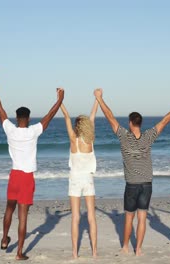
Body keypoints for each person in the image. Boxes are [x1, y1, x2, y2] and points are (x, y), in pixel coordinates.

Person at [94, 88, 170, 256]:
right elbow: (164, 121)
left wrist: (99, 99)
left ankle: (126, 247)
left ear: (130, 123)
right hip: (146, 184)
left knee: (129, 217)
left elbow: (110, 117)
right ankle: (139, 249)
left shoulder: (123, 136)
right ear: (140, 123)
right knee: (142, 217)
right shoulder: (148, 136)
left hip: (131, 185)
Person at [0, 77, 64, 260]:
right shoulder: (33, 131)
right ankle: (19, 253)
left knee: (8, 209)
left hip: (14, 176)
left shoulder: (10, 130)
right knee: (23, 217)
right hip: (27, 178)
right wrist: (60, 100)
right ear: (28, 118)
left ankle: (5, 239)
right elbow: (50, 115)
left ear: (16, 118)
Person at [60, 98, 99, 259]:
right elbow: (93, 115)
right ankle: (94, 252)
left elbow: (66, 117)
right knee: (91, 216)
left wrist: (60, 101)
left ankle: (75, 253)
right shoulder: (90, 141)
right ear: (87, 126)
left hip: (74, 179)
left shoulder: (72, 139)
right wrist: (97, 99)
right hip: (88, 179)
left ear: (77, 127)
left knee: (75, 217)